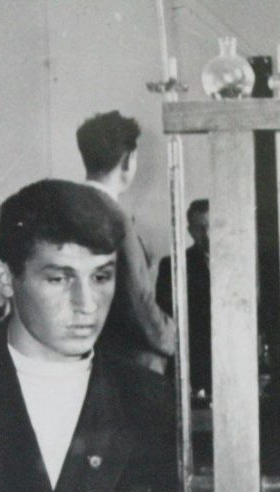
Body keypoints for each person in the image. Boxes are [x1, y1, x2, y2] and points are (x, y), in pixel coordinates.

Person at [0, 178, 178, 492]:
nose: (87, 304)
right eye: (59, 279)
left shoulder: (149, 399)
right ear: (4, 279)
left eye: (101, 277)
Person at [78, 111, 174, 373]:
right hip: (130, 366)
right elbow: (138, 303)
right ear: (128, 160)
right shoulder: (117, 220)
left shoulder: (71, 209)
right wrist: (175, 337)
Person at [156, 198, 212, 394]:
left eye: (211, 227)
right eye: (200, 228)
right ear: (190, 231)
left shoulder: (240, 263)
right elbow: (166, 318)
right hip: (192, 365)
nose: (207, 235)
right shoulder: (173, 266)